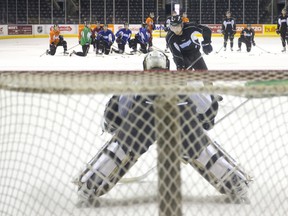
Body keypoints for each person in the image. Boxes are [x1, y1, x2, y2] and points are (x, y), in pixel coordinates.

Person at [73, 50, 251, 206]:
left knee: (121, 149)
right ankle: (236, 182)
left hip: (143, 119)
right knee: (201, 149)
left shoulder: (135, 82)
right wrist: (201, 126)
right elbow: (208, 109)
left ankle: (89, 185)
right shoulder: (184, 80)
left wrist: (117, 132)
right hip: (180, 117)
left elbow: (114, 114)